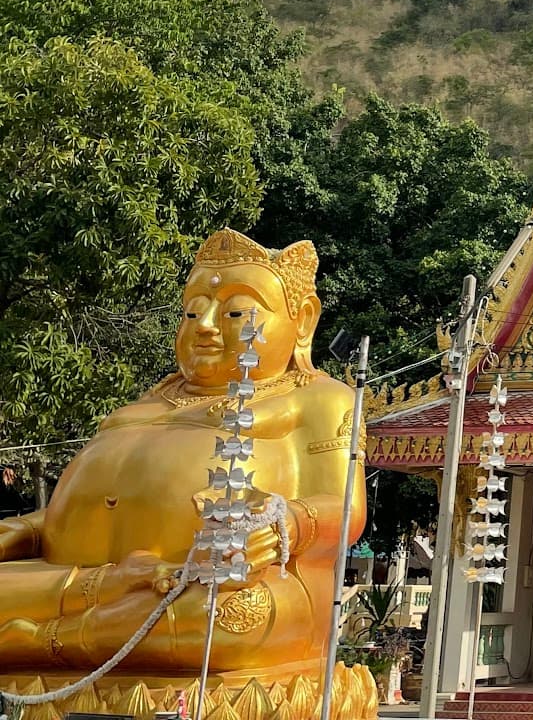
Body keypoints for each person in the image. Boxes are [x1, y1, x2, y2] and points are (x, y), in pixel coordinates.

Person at [0, 230, 361, 675]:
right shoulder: (145, 404)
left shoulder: (320, 399)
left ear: (302, 320)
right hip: (74, 574)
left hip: (206, 582)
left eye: (235, 312)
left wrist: (286, 520)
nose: (206, 326)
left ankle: (48, 638)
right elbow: (85, 505)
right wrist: (26, 528)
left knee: (231, 615)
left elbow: (345, 508)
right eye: (193, 311)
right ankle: (95, 603)